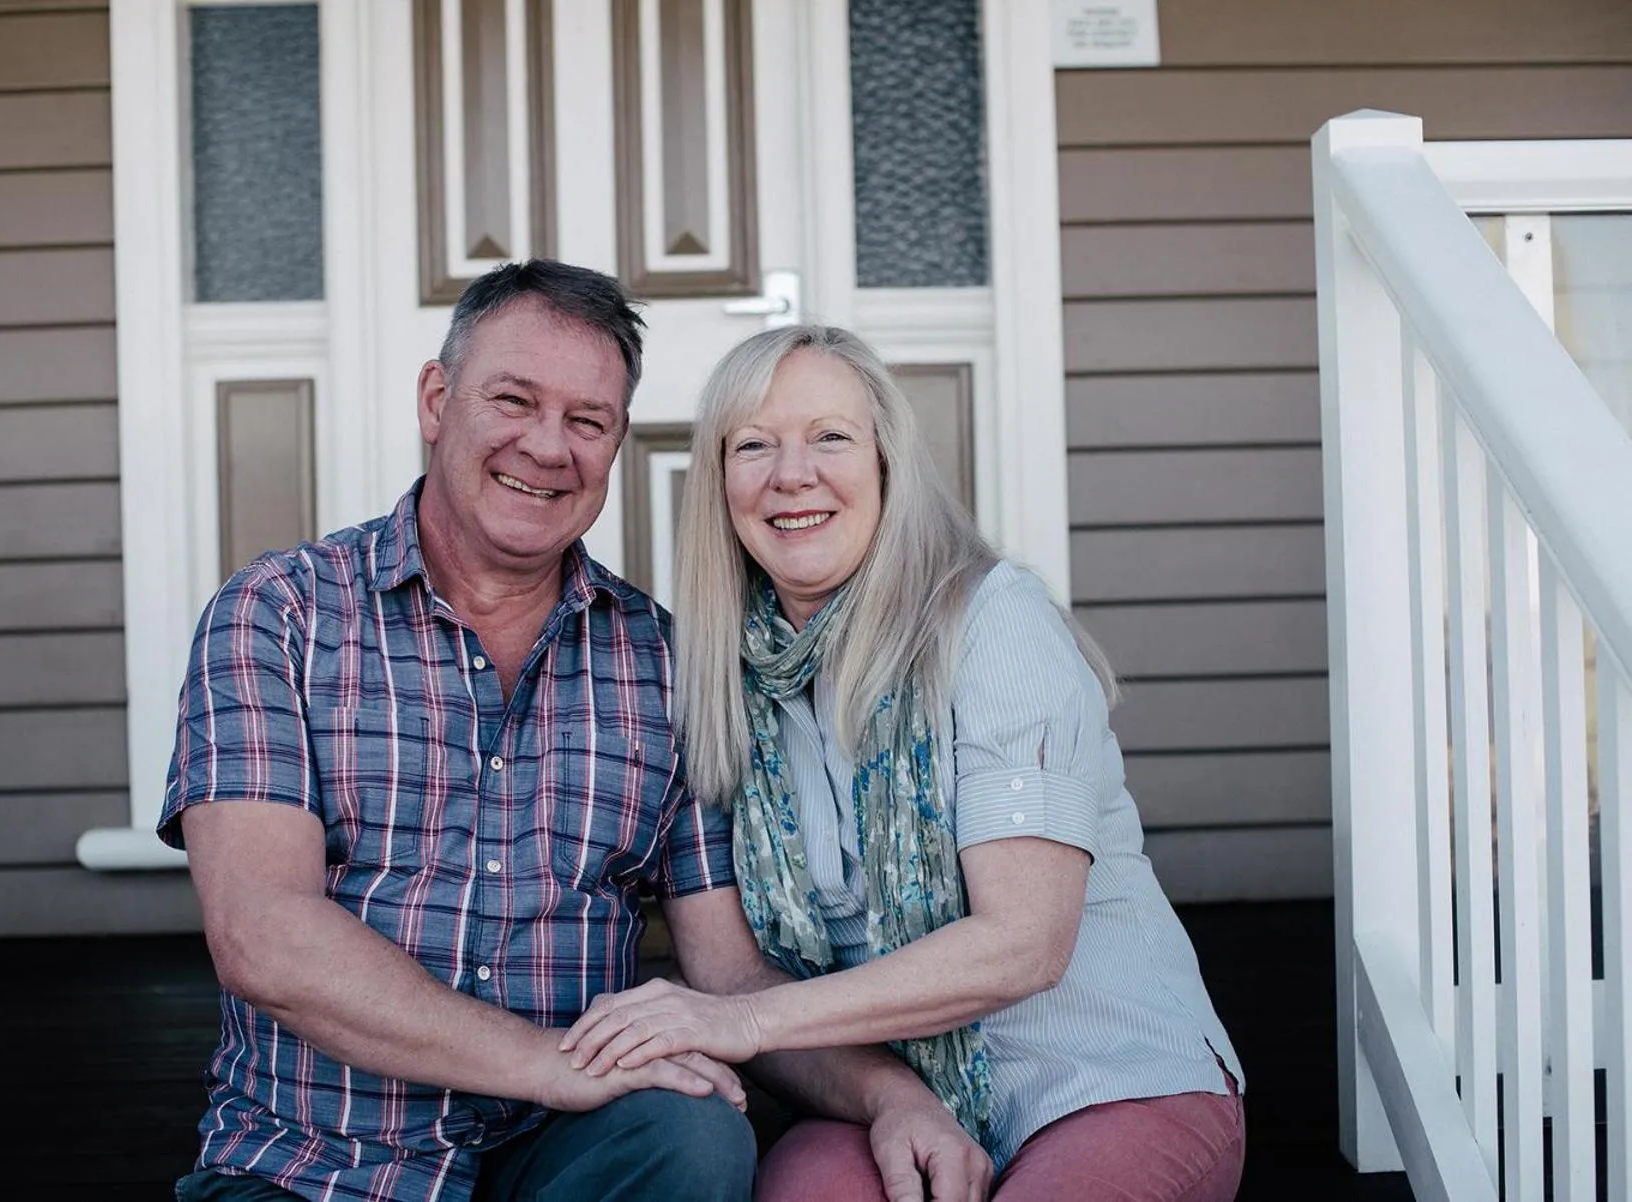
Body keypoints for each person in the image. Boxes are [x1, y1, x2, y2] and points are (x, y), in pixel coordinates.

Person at [159, 263, 990, 1202]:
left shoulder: (663, 664)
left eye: (587, 421)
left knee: (694, 1131)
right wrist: (546, 1060)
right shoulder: (280, 615)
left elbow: (725, 976)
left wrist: (889, 1097)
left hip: (563, 1155)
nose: (547, 447)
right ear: (437, 400)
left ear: (617, 442)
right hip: (315, 1168)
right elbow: (262, 933)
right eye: (513, 400)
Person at [560, 325, 1248, 1201]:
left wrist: (740, 1020)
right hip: (883, 1093)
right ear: (720, 482)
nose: (790, 474)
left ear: (887, 461)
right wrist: (888, 1096)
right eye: (753, 445)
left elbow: (1021, 945)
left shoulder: (991, 624)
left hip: (1102, 1076)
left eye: (830, 437)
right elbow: (731, 970)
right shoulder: (710, 680)